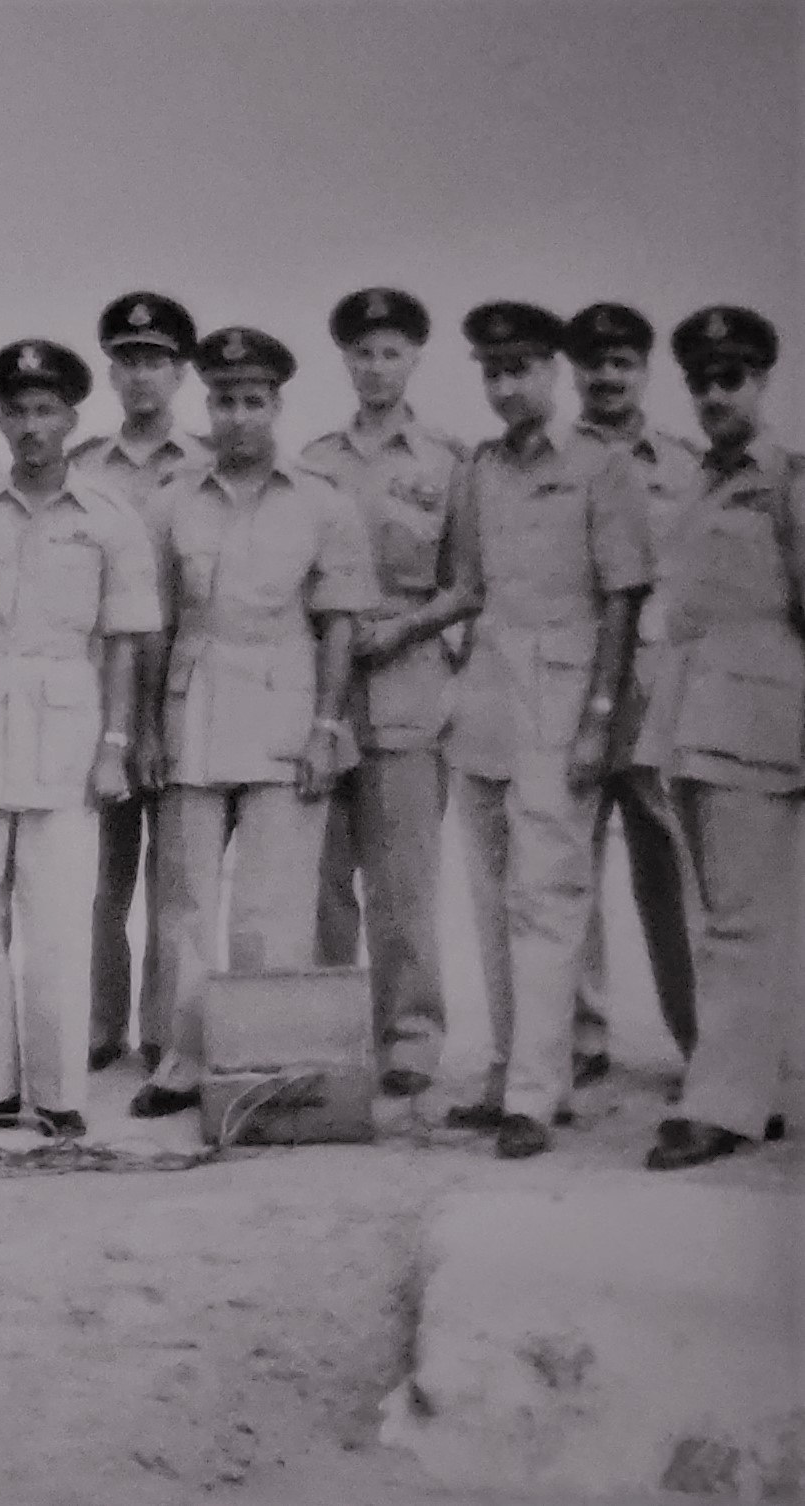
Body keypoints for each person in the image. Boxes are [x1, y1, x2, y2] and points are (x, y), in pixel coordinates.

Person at [130, 327, 376, 1120]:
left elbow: (339, 624)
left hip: (283, 709)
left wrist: (326, 727)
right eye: (225, 401)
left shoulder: (321, 502)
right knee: (185, 901)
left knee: (272, 907)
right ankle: (183, 1059)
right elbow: (155, 625)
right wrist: (146, 728)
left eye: (253, 401)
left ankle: (262, 1062)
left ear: (276, 406)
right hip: (194, 709)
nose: (238, 416)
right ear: (207, 405)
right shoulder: (172, 500)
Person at [437, 301, 651, 1160]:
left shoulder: (601, 465)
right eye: (493, 372)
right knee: (492, 900)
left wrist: (601, 718)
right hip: (487, 699)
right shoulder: (478, 468)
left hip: (562, 703)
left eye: (520, 368)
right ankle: (511, 1074)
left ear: (554, 372)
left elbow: (622, 599)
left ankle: (534, 1094)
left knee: (549, 898)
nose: (506, 386)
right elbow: (468, 587)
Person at [0, 338, 161, 1135]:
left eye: (45, 411)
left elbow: (125, 641)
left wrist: (115, 745)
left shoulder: (109, 519)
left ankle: (60, 1096)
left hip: (68, 727)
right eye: (16, 412)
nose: (30, 427)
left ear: (70, 419)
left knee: (59, 919)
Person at [637, 306, 802, 1169]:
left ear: (762, 381)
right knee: (716, 919)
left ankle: (721, 1107)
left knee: (742, 923)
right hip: (692, 720)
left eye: (730, 378)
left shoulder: (789, 483)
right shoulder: (699, 481)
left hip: (761, 724)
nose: (714, 395)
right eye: (700, 381)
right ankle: (755, 1092)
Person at [299, 288, 467, 1098]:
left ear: (414, 359)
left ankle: (411, 1039)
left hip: (407, 681)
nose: (375, 368)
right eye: (362, 353)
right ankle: (332, 1034)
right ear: (345, 360)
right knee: (323, 881)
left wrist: (404, 629)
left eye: (390, 353)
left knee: (403, 882)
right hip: (324, 687)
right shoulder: (314, 462)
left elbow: (468, 584)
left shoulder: (447, 462)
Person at [562, 301, 702, 1081]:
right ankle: (580, 1039)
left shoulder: (684, 466)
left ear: (645, 371)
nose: (606, 377)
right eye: (593, 363)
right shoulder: (552, 459)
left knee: (672, 875)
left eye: (621, 363)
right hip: (568, 690)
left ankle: (700, 1041)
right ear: (573, 372)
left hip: (656, 698)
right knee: (564, 872)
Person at [71, 292, 207, 1072]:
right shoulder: (84, 467)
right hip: (101, 689)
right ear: (111, 372)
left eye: (156, 360)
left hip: (187, 686)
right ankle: (99, 1025)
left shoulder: (208, 465)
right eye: (128, 360)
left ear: (181, 372)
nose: (142, 375)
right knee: (100, 874)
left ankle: (164, 1030)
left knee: (177, 874)